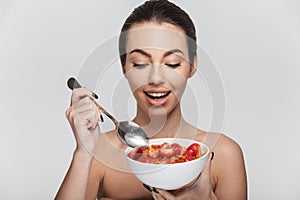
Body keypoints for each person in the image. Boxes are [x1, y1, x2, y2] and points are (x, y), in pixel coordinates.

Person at [55, 0, 247, 199]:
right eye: (140, 64)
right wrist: (83, 153)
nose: (156, 79)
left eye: (172, 64)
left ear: (192, 66)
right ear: (124, 68)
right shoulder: (99, 152)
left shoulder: (224, 154)